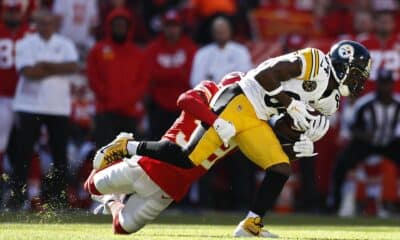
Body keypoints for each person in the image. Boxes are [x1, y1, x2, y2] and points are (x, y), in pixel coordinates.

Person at [95, 40, 371, 236]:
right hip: (241, 99)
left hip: (259, 117)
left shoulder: (332, 101)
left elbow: (286, 129)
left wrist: (301, 140)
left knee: (280, 168)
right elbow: (264, 75)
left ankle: (251, 225)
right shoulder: (315, 62)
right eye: (358, 74)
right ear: (342, 64)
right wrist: (289, 103)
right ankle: (127, 146)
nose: (359, 81)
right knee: (187, 158)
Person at [85, 73, 320, 235]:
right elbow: (185, 99)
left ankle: (112, 201)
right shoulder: (211, 91)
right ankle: (124, 146)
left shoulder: (248, 124)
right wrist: (215, 121)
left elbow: (269, 158)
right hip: (150, 164)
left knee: (122, 228)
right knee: (92, 187)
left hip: (172, 189)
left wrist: (299, 149)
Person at [8, 9, 79, 209]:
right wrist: (57, 67)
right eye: (42, 22)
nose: (45, 26)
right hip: (28, 105)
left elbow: (73, 67)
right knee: (22, 153)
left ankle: (59, 199)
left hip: (58, 107)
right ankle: (17, 198)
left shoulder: (65, 44)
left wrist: (46, 65)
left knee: (60, 155)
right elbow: (28, 72)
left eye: (49, 22)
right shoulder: (25, 44)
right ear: (36, 24)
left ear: (54, 24)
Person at [329, 69, 400, 212]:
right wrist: (364, 135)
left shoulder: (397, 104)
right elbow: (352, 127)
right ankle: (334, 204)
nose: (385, 88)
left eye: (387, 84)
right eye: (382, 84)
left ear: (392, 85)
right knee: (341, 164)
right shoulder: (365, 104)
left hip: (391, 142)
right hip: (366, 143)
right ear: (377, 84)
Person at [87, 8, 149, 148]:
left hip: (129, 113)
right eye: (116, 25)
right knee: (104, 156)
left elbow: (143, 82)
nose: (120, 28)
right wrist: (108, 97)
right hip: (105, 112)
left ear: (128, 27)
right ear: (110, 27)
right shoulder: (97, 50)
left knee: (128, 159)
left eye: (123, 25)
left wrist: (127, 100)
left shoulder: (138, 54)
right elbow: (93, 77)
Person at [146, 10, 197, 139]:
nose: (172, 30)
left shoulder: (190, 48)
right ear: (163, 27)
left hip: (183, 107)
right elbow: (150, 75)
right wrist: (177, 73)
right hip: (159, 107)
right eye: (169, 26)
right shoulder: (153, 48)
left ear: (180, 28)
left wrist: (163, 75)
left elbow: (191, 77)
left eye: (175, 26)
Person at [0, 0, 31, 186]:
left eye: (16, 12)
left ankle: (32, 192)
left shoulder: (31, 34)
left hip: (27, 98)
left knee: (30, 146)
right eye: (10, 12)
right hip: (2, 97)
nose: (13, 15)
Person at [190, 16, 252, 87]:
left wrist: (213, 78)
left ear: (230, 31)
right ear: (213, 33)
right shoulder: (202, 53)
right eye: (218, 31)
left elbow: (245, 76)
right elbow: (195, 81)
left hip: (235, 92)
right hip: (211, 93)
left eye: (223, 30)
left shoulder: (241, 51)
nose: (221, 34)